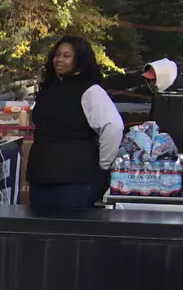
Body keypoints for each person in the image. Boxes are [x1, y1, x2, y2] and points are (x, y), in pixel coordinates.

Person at [27, 35, 123, 213]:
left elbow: (113, 126)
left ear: (79, 60)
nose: (59, 59)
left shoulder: (91, 91)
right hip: (41, 175)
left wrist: (103, 166)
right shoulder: (48, 88)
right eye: (57, 55)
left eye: (66, 55)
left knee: (68, 234)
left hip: (74, 179)